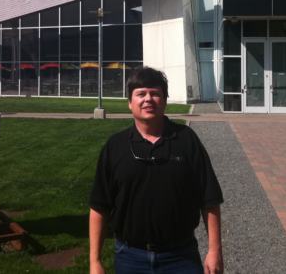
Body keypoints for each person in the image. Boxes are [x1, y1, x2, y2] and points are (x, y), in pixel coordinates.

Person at [89, 67, 224, 274]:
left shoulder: (187, 140)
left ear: (165, 100)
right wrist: (95, 261)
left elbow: (210, 199)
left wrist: (215, 250)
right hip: (130, 258)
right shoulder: (115, 146)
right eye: (140, 94)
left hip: (181, 257)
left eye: (155, 93)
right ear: (129, 102)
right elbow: (100, 205)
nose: (148, 99)